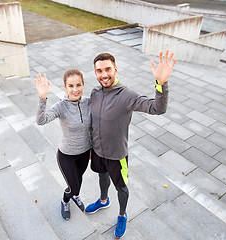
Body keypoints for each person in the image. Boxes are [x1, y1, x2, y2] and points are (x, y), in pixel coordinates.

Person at [85, 50, 176, 238]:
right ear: (95, 73)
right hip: (98, 151)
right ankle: (103, 200)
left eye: (108, 69)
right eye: (99, 71)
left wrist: (161, 83)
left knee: (121, 187)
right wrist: (90, 147)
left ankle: (122, 214)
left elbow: (157, 108)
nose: (104, 75)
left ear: (115, 69)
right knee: (102, 177)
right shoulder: (94, 93)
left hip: (117, 155)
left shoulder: (126, 95)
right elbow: (91, 122)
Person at [35, 69, 92, 220]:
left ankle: (75, 196)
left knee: (78, 183)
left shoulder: (88, 103)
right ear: (65, 87)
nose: (75, 89)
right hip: (67, 155)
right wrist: (43, 97)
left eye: (78, 85)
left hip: (85, 153)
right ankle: (66, 200)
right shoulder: (61, 106)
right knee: (72, 187)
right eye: (71, 86)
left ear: (83, 85)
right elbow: (41, 121)